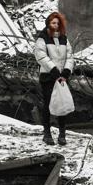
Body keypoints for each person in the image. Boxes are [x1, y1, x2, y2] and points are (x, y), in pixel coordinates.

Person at [32, 10, 74, 145]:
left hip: (62, 77)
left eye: (57, 23)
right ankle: (47, 134)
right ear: (48, 23)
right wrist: (54, 71)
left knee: (62, 104)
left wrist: (66, 72)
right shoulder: (42, 38)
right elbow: (41, 56)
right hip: (48, 77)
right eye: (53, 22)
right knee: (48, 104)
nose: (55, 25)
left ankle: (62, 134)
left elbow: (70, 57)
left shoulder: (64, 38)